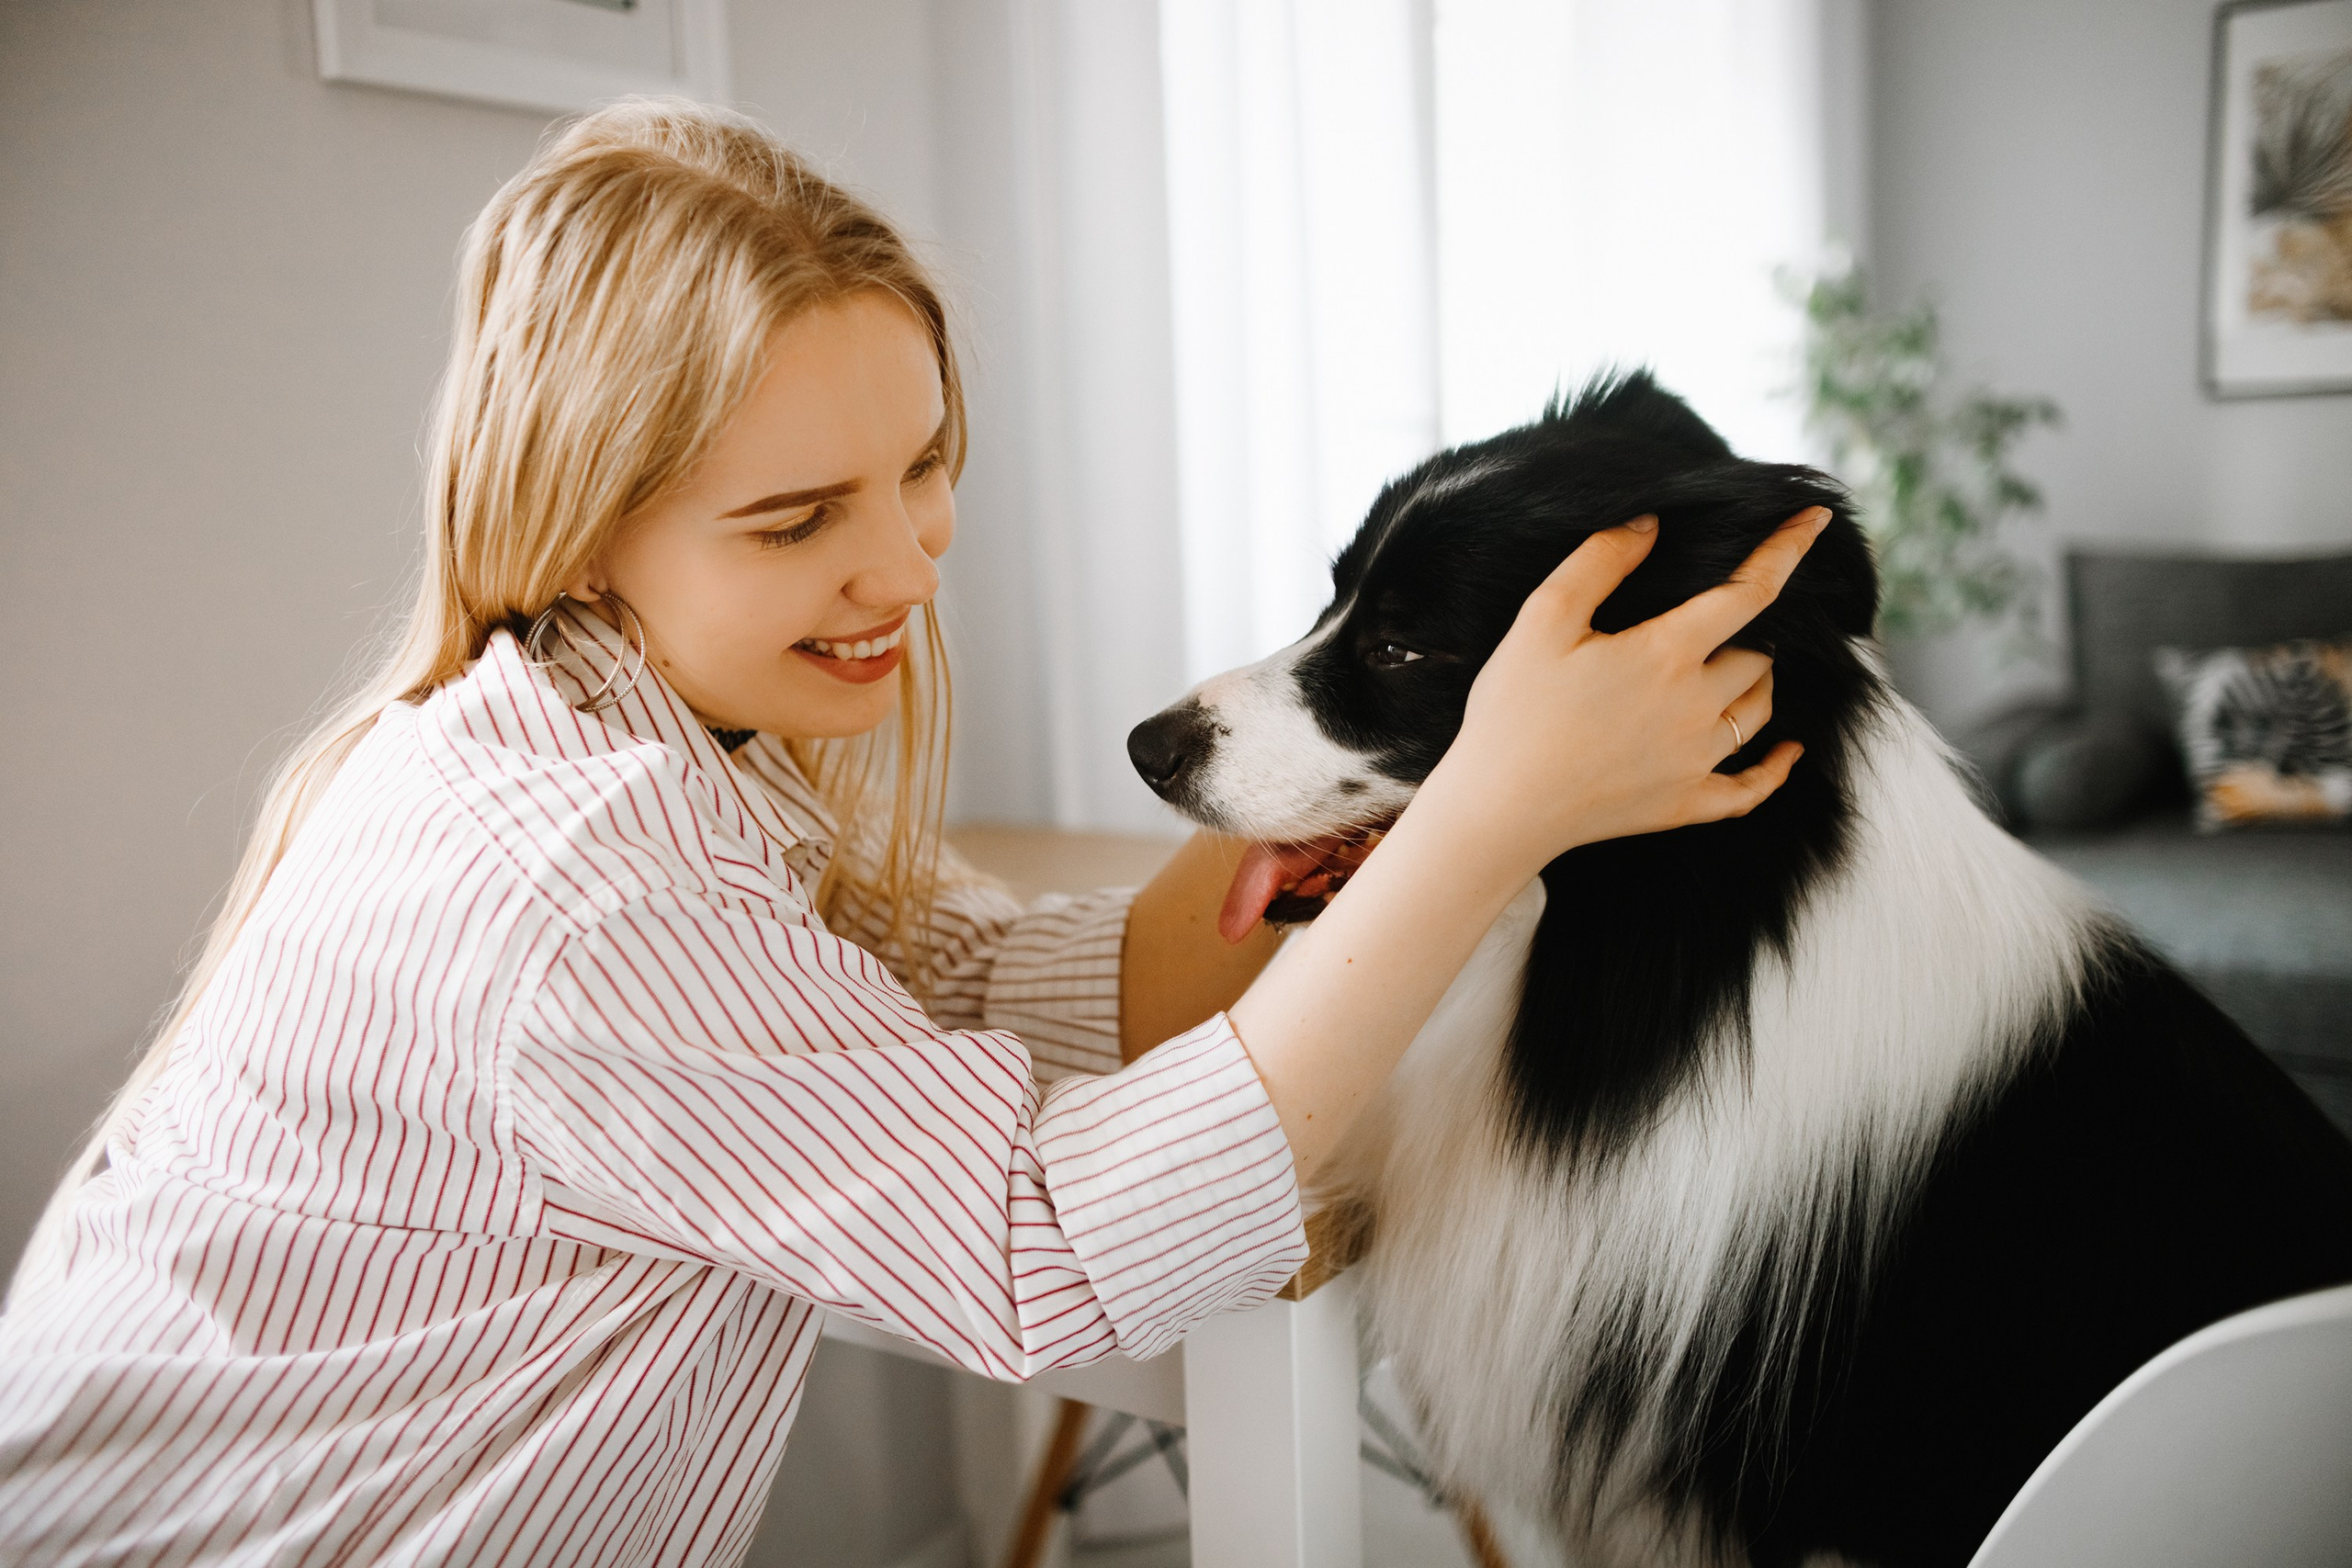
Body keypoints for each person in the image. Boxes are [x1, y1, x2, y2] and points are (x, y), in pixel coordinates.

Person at [0, 99, 1815, 1566]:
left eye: (924, 464)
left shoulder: (677, 751)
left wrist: (1350, 754)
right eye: (796, 518)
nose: (901, 563)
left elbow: (1045, 983)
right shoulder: (580, 870)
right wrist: (1494, 813)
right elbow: (1042, 1250)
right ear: (580, 528)